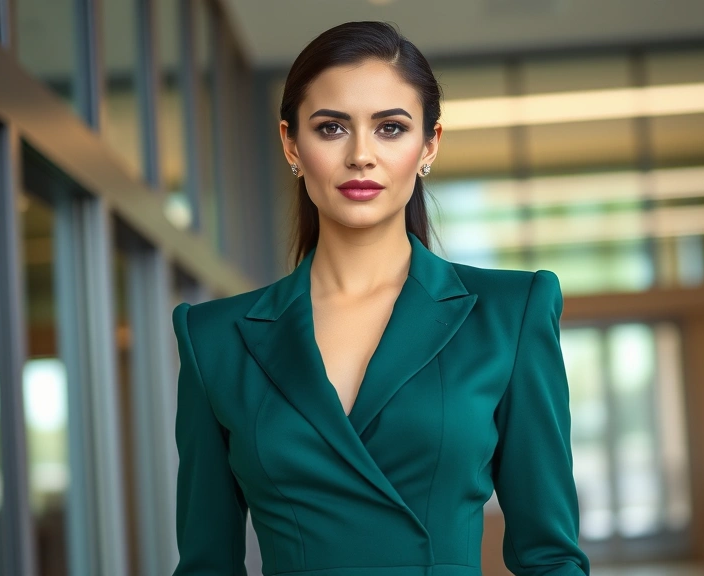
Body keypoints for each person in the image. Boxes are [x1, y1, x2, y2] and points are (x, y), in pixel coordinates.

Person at [171, 20, 590, 576]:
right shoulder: (215, 339)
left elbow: (551, 557)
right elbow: (205, 565)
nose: (361, 155)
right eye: (331, 128)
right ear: (291, 143)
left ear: (429, 144)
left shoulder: (509, 314)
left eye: (390, 128)